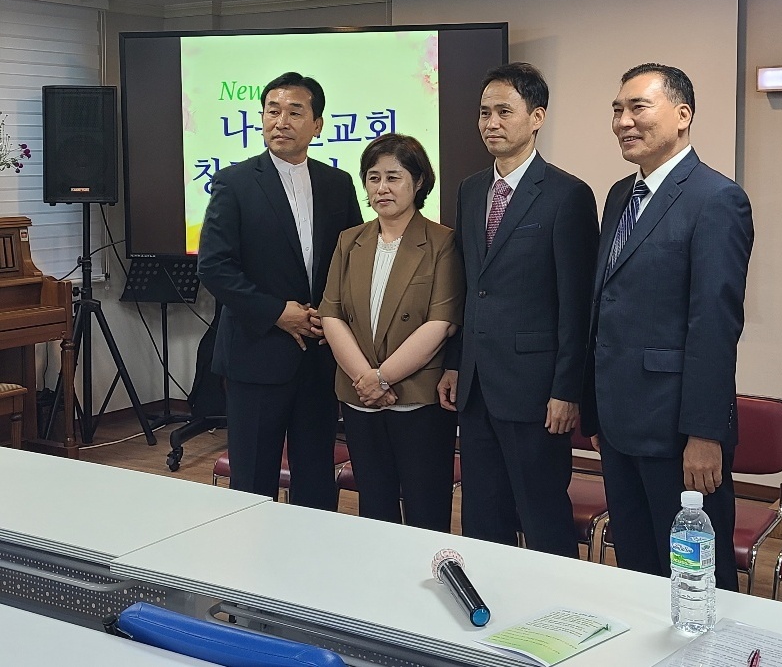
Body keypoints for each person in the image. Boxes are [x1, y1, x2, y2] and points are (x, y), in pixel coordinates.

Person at [581, 62, 754, 590]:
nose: (623, 121)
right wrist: (594, 406)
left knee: (694, 578)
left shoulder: (716, 199)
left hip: (676, 430)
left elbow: (714, 326)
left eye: (638, 107)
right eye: (617, 110)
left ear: (682, 115)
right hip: (619, 421)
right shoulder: (619, 195)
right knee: (637, 569)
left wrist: (705, 435)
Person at [438, 62, 599, 557]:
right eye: (484, 112)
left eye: (504, 112)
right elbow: (470, 288)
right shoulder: (470, 190)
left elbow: (576, 305)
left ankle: (555, 601)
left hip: (536, 390)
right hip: (477, 386)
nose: (491, 123)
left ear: (537, 117)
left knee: (542, 515)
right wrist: (455, 363)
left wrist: (566, 390)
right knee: (482, 514)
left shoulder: (568, 195)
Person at [197, 71, 362, 508]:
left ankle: (311, 552)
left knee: (316, 481)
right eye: (272, 111)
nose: (281, 122)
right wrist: (277, 312)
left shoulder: (337, 184)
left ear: (317, 125)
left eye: (295, 112)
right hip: (256, 353)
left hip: (320, 353)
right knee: (253, 480)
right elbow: (214, 266)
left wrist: (329, 316)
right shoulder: (234, 182)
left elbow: (351, 261)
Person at [320, 134, 463, 531]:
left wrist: (382, 378)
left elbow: (440, 323)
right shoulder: (350, 241)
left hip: (417, 400)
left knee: (425, 510)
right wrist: (365, 380)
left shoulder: (442, 242)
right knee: (374, 510)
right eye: (373, 178)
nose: (382, 188)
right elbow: (331, 315)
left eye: (393, 177)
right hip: (360, 399)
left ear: (418, 182)